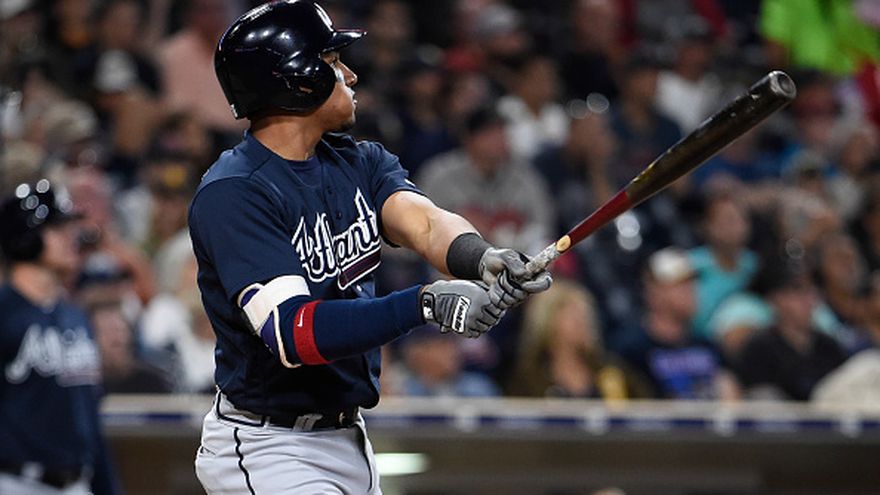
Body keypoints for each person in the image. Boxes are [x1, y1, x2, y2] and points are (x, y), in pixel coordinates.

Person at [189, 3, 552, 494]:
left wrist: (481, 257)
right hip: (268, 444)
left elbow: (424, 223)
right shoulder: (235, 192)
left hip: (348, 437)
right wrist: (424, 304)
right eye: (333, 61)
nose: (350, 74)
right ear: (298, 79)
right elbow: (293, 334)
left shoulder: (357, 160)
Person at [0, 179, 121, 494]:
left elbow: (90, 419)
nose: (72, 237)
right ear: (26, 237)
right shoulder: (4, 314)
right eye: (57, 229)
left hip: (77, 482)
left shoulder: (75, 317)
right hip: (16, 482)